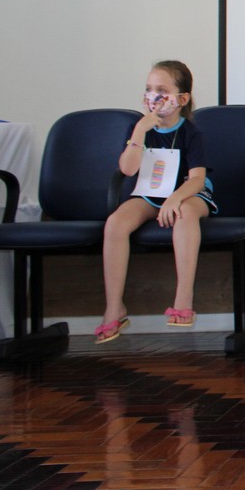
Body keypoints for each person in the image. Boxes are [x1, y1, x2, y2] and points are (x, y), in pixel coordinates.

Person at [95, 60, 215, 342]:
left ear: (181, 99)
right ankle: (114, 307)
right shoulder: (139, 129)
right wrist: (139, 132)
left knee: (185, 212)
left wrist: (175, 198)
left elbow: (197, 179)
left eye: (161, 90)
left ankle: (183, 298)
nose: (153, 96)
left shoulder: (191, 132)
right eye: (149, 89)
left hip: (188, 193)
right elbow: (128, 169)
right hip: (151, 192)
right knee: (116, 223)